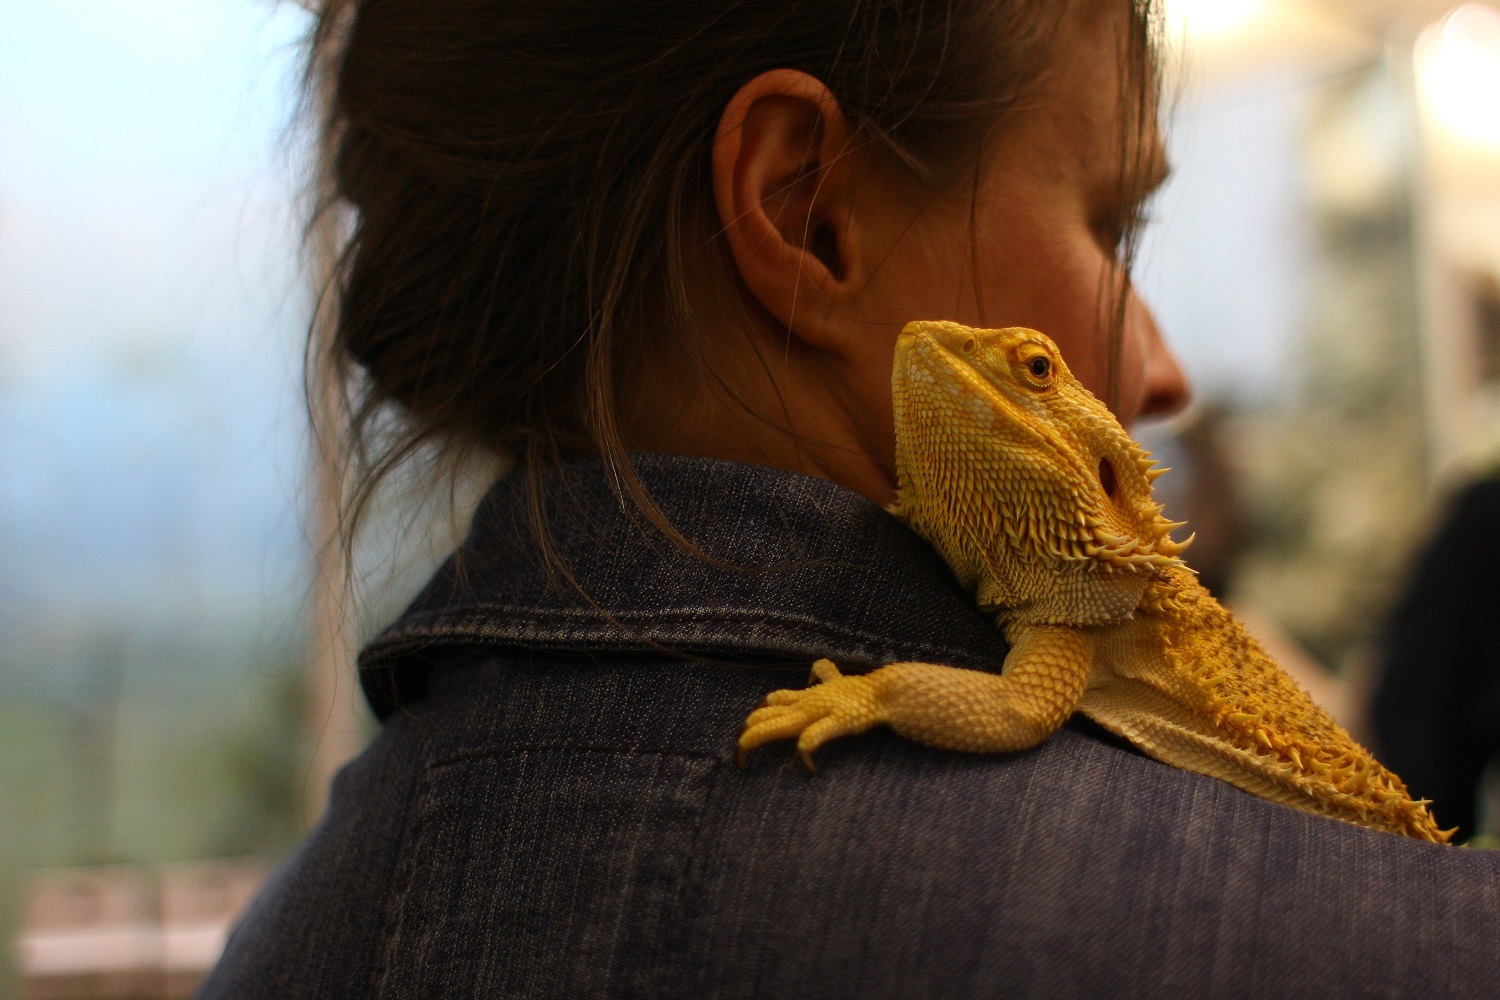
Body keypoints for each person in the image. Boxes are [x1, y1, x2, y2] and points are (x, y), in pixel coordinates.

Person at [201, 0, 1500, 996]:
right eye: (1112, 226)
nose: (1162, 370)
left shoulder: (279, 948)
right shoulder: (1417, 950)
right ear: (806, 212)